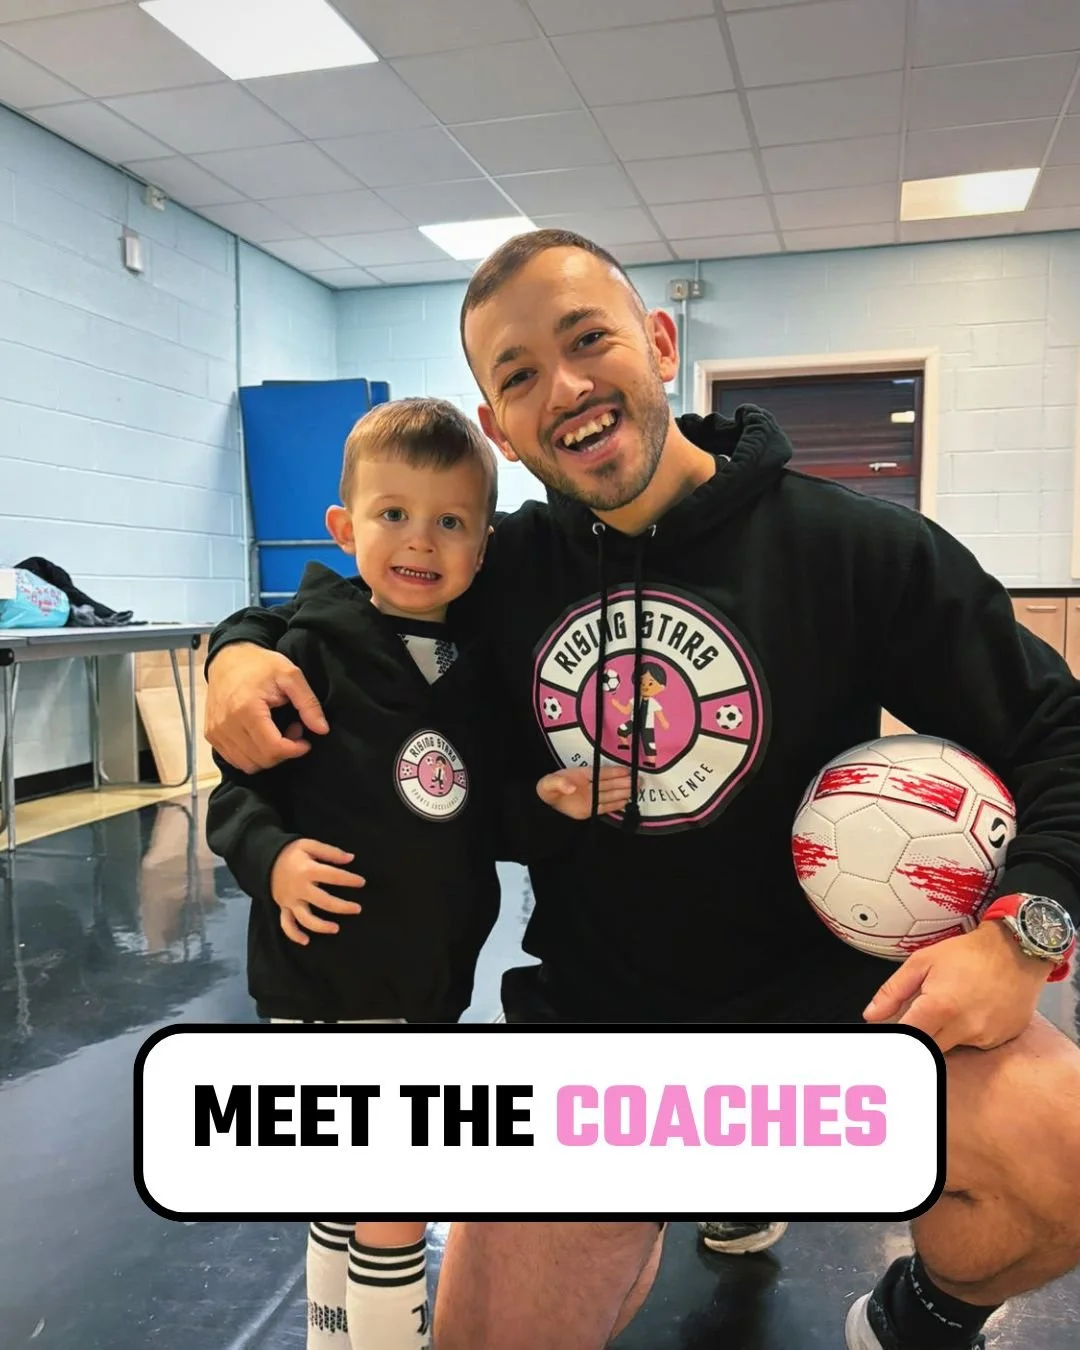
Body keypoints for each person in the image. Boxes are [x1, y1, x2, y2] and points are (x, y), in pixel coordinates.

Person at [204, 232, 1080, 1350]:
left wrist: (1025, 930)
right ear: (500, 428)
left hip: (834, 1019)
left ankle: (920, 1319)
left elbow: (1059, 726)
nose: (563, 388)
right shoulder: (494, 566)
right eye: (518, 376)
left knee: (1064, 1152)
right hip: (604, 1039)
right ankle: (717, 1177)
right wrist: (237, 647)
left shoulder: (851, 548)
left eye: (587, 342)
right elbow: (343, 602)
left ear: (658, 346)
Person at [205, 395, 629, 1350]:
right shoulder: (301, 650)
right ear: (345, 527)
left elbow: (482, 817)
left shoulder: (480, 670)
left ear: (483, 543)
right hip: (324, 969)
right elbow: (235, 795)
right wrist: (272, 863)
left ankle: (329, 1330)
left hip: (430, 975)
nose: (420, 542)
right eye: (394, 514)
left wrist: (547, 807)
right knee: (393, 1190)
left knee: (345, 1183)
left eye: (450, 522)